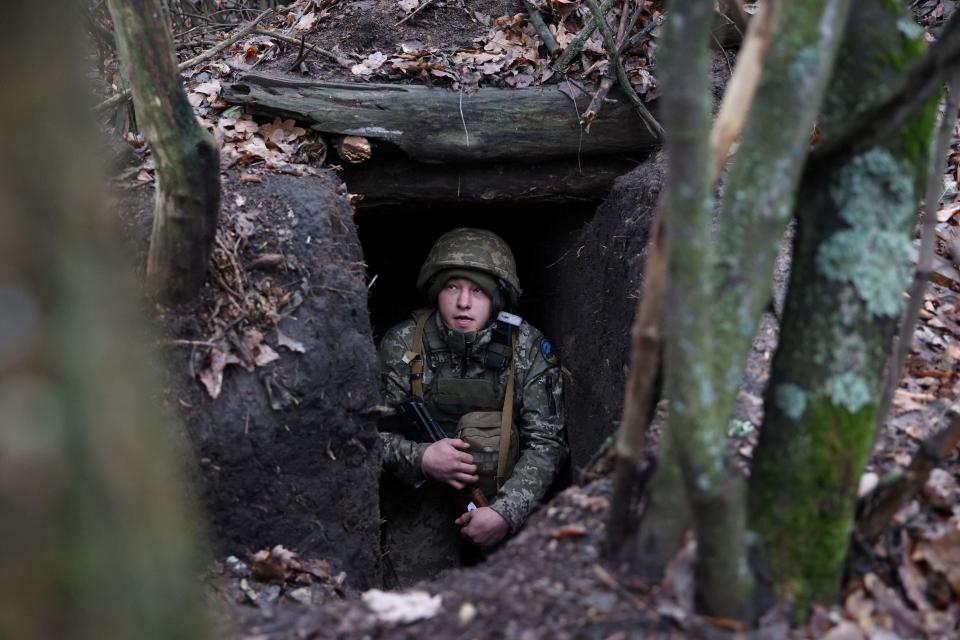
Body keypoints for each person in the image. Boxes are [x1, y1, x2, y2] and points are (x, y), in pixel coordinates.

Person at [378, 227, 568, 586]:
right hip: (422, 497)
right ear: (437, 291)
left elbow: (547, 444)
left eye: (478, 290)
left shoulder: (526, 349)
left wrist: (505, 514)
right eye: (453, 287)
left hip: (503, 492)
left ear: (498, 298)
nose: (463, 302)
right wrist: (421, 459)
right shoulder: (403, 344)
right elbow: (365, 442)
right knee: (413, 604)